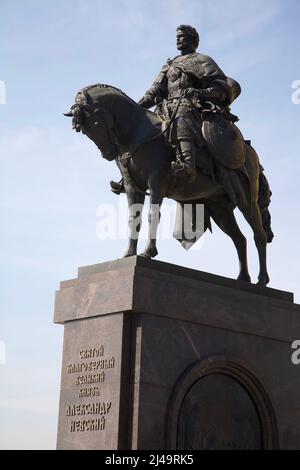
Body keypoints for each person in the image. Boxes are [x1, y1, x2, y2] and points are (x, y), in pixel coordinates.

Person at [110, 24, 241, 195]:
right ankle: (130, 175)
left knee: (181, 115)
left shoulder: (203, 60)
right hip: (165, 108)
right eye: (177, 36)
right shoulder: (169, 65)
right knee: (143, 127)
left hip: (192, 107)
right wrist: (135, 107)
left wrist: (198, 92)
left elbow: (221, 88)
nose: (178, 39)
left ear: (193, 40)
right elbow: (155, 91)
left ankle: (188, 165)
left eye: (182, 36)